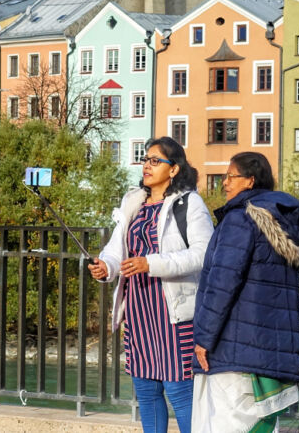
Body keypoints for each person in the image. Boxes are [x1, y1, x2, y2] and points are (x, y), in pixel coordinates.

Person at [89, 137, 213, 432]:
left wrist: (150, 263)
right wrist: (107, 266)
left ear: (174, 169)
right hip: (138, 311)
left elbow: (203, 253)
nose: (147, 165)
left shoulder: (189, 203)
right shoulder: (134, 202)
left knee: (180, 394)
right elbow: (117, 248)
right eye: (145, 159)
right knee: (146, 392)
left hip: (173, 312)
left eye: (155, 160)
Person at [192, 151, 299, 432]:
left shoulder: (240, 219)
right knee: (261, 422)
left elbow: (222, 283)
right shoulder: (282, 223)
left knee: (224, 421)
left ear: (250, 181)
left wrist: (204, 338)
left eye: (231, 176)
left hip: (234, 345)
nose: (225, 183)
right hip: (268, 348)